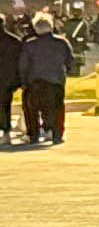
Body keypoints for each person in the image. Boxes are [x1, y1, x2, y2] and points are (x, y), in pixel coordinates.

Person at [16, 8, 70, 145]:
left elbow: (23, 65)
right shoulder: (62, 43)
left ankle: (33, 135)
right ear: (51, 26)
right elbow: (70, 61)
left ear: (35, 28)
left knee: (31, 111)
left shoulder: (29, 44)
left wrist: (23, 82)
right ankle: (56, 135)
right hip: (56, 82)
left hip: (35, 83)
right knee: (57, 109)